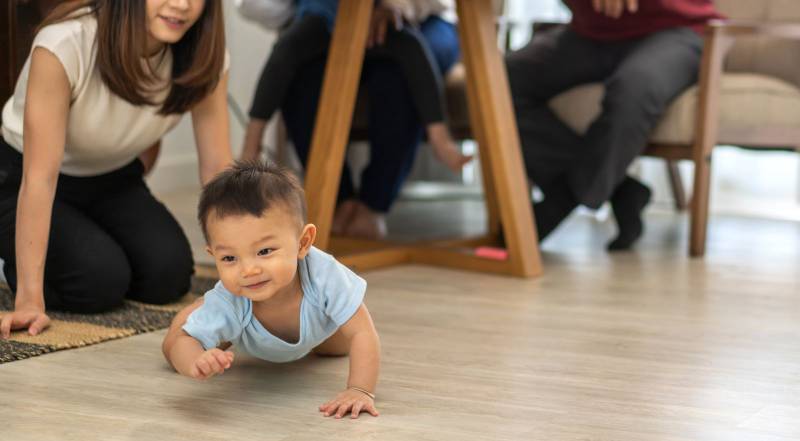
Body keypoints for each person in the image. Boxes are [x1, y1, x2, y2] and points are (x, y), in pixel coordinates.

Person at [0, 0, 233, 337]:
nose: (181, 5)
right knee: (98, 281)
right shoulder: (65, 42)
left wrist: (244, 265)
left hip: (111, 179)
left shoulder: (204, 56)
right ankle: (19, 263)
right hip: (20, 178)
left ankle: (84, 247)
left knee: (168, 274)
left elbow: (217, 169)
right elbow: (39, 179)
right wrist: (29, 300)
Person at [162, 161, 381, 420]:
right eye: (229, 258)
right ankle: (202, 313)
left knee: (339, 346)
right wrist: (195, 361)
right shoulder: (231, 299)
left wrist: (359, 390)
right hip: (244, 328)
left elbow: (363, 333)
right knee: (176, 344)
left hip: (321, 328)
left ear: (303, 243)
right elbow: (185, 345)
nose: (249, 270)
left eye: (264, 251)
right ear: (213, 256)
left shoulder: (324, 275)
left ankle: (210, 316)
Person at [506, 0, 721, 250]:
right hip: (589, 33)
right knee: (495, 84)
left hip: (676, 30)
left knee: (633, 90)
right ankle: (619, 189)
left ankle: (562, 201)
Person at [279, 1, 462, 239]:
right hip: (337, 17)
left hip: (427, 17)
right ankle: (337, 200)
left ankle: (373, 204)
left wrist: (397, 6)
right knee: (302, 74)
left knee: (394, 75)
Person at [242, 0, 470, 172]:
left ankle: (440, 138)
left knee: (411, 46)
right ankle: (252, 143)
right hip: (324, 12)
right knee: (288, 50)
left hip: (380, 11)